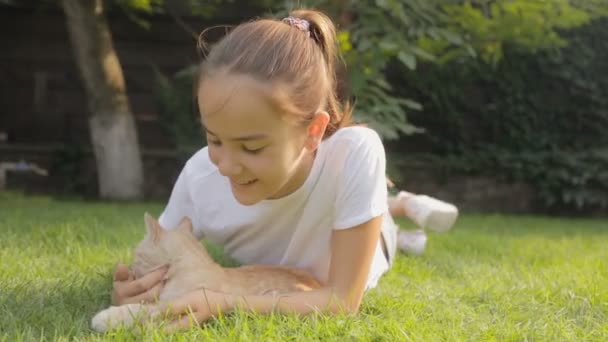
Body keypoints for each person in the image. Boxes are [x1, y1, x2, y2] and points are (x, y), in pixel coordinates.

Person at [110, 9, 458, 330]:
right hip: (331, 217)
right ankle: (397, 203)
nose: (226, 167)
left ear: (313, 132)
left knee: (384, 225)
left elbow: (342, 300)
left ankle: (401, 204)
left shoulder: (354, 152)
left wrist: (224, 303)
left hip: (375, 238)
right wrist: (132, 292)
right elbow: (155, 264)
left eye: (252, 147)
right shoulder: (200, 176)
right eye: (214, 139)